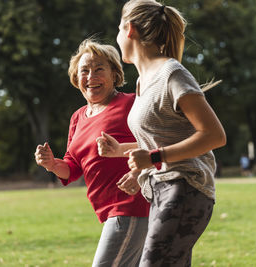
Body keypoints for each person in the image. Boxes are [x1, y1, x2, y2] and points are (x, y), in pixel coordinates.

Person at [96, 1, 226, 266]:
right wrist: (123, 152)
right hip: (161, 189)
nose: (118, 38)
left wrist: (154, 157)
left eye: (118, 30)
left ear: (129, 29)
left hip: (185, 187)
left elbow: (214, 135)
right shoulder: (144, 81)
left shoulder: (171, 74)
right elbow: (163, 137)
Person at [34, 39, 150, 267]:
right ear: (76, 79)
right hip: (108, 212)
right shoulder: (77, 117)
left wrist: (133, 166)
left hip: (132, 206)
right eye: (84, 71)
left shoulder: (131, 104)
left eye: (99, 69)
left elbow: (157, 142)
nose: (91, 77)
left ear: (115, 75)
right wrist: (51, 164)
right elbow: (73, 167)